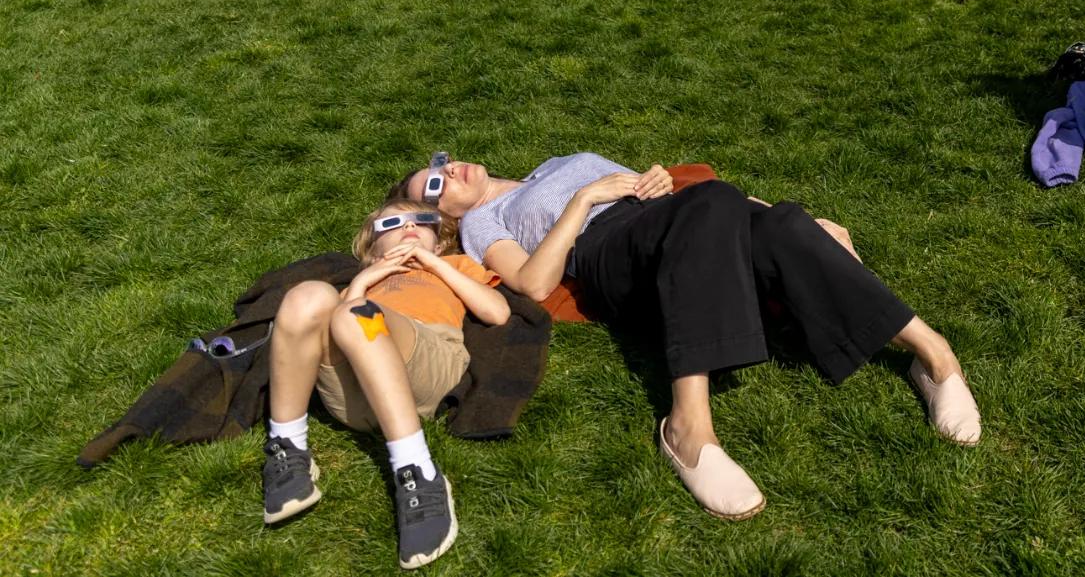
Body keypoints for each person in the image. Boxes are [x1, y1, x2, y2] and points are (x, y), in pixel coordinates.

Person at [387, 153, 981, 520]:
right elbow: (536, 283)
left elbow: (677, 194)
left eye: (440, 163)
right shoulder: (484, 223)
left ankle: (934, 358)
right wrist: (587, 197)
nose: (448, 171)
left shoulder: (553, 162)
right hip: (610, 254)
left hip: (676, 216)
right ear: (446, 219)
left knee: (770, 220)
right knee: (711, 199)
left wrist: (796, 223)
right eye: (433, 187)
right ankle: (688, 425)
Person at [260, 198, 507, 567]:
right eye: (391, 225)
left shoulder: (453, 265)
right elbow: (327, 329)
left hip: (429, 362)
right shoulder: (365, 280)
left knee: (356, 313)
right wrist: (362, 281)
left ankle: (417, 471)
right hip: (358, 395)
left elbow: (498, 312)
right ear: (372, 250)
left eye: (422, 222)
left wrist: (435, 265)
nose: (408, 228)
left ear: (439, 242)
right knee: (306, 296)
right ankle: (286, 448)